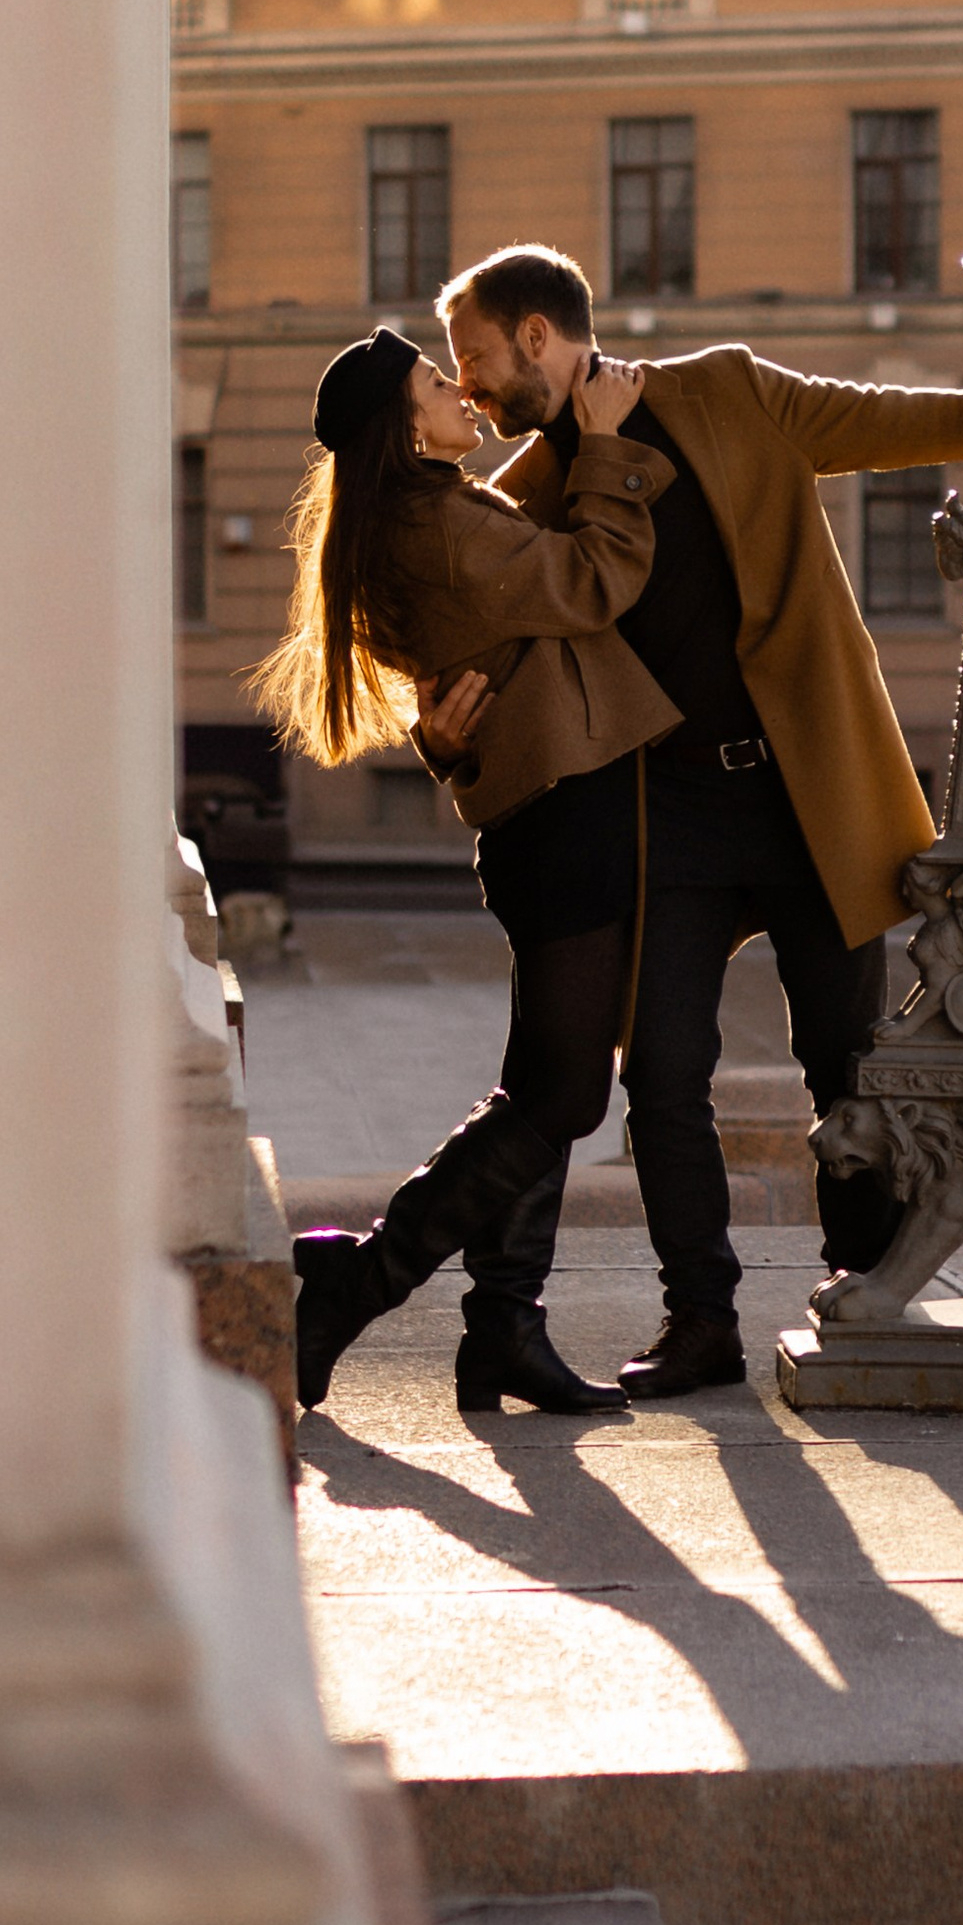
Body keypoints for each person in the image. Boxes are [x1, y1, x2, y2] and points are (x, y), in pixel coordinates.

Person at [420, 245, 963, 1400]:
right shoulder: (528, 495)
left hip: (808, 796)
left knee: (845, 1061)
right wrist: (441, 743)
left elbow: (884, 420)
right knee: (662, 1076)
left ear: (541, 337)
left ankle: (866, 1294)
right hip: (663, 814)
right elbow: (469, 655)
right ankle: (701, 1320)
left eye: (480, 360)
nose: (474, 389)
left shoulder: (729, 391)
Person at [246, 320, 676, 1420]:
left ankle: (503, 1335)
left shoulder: (419, 518)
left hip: (550, 807)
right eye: (442, 385)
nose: (463, 397)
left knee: (543, 1087)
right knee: (566, 1095)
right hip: (564, 810)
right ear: (405, 421)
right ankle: (354, 1287)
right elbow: (593, 580)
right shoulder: (434, 526)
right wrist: (612, 445)